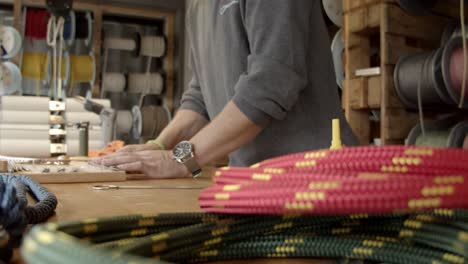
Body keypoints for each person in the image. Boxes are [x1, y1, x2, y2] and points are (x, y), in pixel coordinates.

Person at [94, 0, 358, 178]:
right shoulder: (198, 6)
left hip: (314, 175)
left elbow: (272, 81)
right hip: (256, 180)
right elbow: (199, 98)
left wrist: (179, 159)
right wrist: (159, 145)